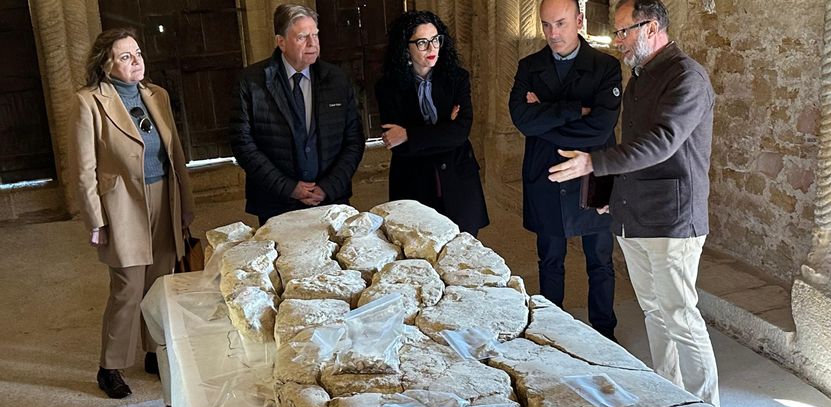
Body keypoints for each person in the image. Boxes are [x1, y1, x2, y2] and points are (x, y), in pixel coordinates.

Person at [548, 0, 720, 407]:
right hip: (635, 214)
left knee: (680, 316)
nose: (618, 41)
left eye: (625, 31)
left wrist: (596, 162)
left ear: (652, 26)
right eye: (618, 32)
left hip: (672, 217)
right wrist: (615, 194)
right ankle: (672, 396)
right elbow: (635, 148)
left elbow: (662, 143)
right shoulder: (641, 76)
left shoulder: (686, 77)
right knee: (655, 313)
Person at [70, 27, 195, 399]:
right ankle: (109, 367)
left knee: (161, 282)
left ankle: (153, 351)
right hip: (121, 203)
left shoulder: (157, 94)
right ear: (106, 64)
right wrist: (96, 220)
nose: (136, 61)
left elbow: (176, 156)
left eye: (138, 53)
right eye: (125, 56)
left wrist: (186, 205)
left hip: (164, 196)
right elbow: (83, 169)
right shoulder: (89, 102)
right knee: (128, 288)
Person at [509, 0, 622, 340]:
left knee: (600, 261)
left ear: (579, 20)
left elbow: (600, 129)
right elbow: (520, 119)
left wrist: (542, 117)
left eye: (560, 23)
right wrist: (576, 109)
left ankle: (604, 332)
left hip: (594, 172)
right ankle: (553, 333)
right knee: (550, 259)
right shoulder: (529, 66)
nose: (553, 33)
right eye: (546, 25)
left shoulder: (606, 67)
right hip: (547, 172)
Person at [231, 4, 365, 226]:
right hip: (276, 203)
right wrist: (288, 188)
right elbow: (243, 144)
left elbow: (354, 140)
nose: (313, 44)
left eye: (315, 35)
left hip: (331, 201)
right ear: (281, 42)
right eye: (302, 37)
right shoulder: (251, 82)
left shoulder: (337, 80)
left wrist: (329, 186)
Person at [375, 10, 489, 236]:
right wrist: (444, 129)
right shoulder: (387, 87)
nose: (432, 48)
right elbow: (399, 146)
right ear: (405, 46)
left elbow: (461, 132)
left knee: (464, 254)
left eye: (436, 40)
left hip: (459, 184)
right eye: (422, 42)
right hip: (414, 182)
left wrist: (410, 134)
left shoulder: (457, 78)